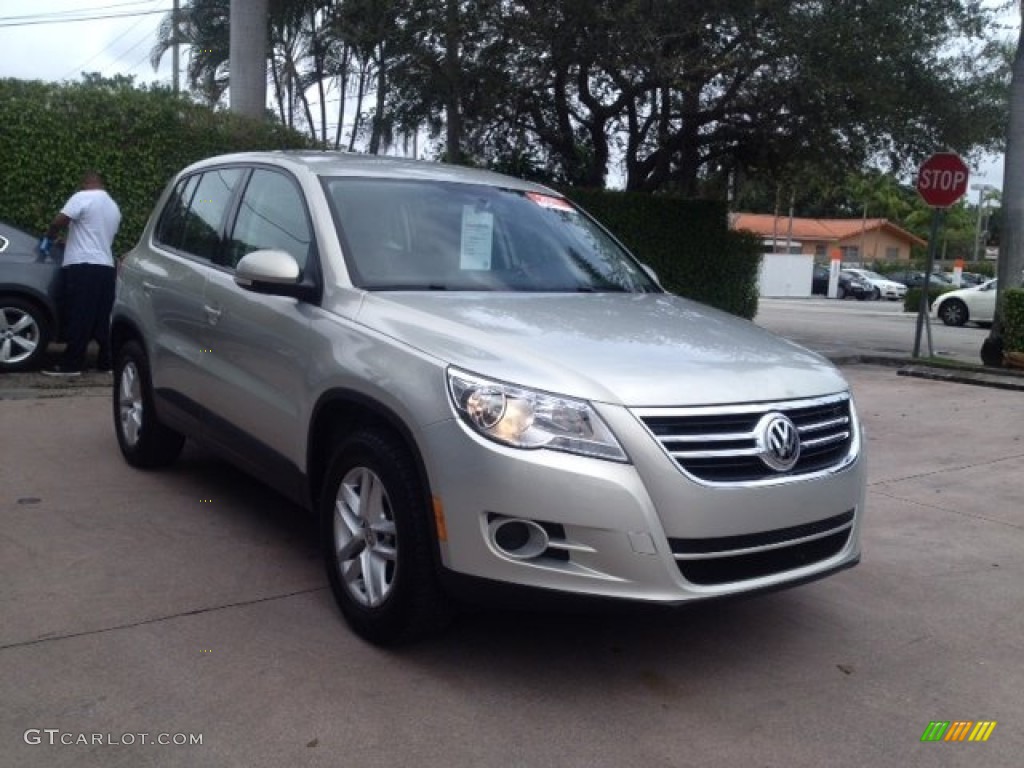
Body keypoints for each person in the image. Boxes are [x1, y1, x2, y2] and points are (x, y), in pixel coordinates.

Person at [39, 170, 122, 376]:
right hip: (105, 266)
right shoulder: (113, 206)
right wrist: (70, 242)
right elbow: (95, 235)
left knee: (80, 315)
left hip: (83, 266)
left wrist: (49, 238)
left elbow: (59, 221)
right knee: (102, 317)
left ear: (85, 183)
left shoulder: (82, 197)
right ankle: (106, 363)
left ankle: (72, 365)